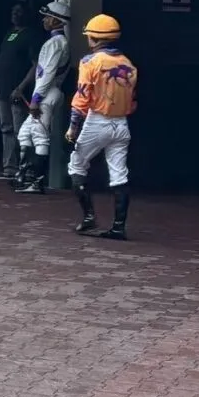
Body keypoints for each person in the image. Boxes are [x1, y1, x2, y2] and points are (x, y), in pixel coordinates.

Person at [67, 14, 138, 240]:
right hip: (121, 123)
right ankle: (118, 227)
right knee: (119, 175)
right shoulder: (128, 63)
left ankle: (89, 217)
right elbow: (133, 100)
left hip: (97, 121)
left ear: (94, 38)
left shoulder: (90, 62)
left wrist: (72, 127)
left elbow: (82, 97)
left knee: (76, 166)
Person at [11, 0, 72, 193]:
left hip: (48, 92)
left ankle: (37, 182)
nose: (44, 20)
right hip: (45, 92)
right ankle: (24, 174)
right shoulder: (55, 42)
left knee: (39, 136)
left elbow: (47, 74)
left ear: (56, 21)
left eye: (48, 17)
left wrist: (36, 99)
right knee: (24, 133)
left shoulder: (56, 43)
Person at [0, 0, 42, 181]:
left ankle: (26, 169)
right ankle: (10, 168)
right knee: (6, 129)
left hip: (19, 92)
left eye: (19, 11)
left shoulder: (32, 36)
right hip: (2, 91)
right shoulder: (10, 33)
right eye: (13, 11)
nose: (15, 14)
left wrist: (21, 87)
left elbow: (36, 66)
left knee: (22, 131)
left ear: (27, 14)